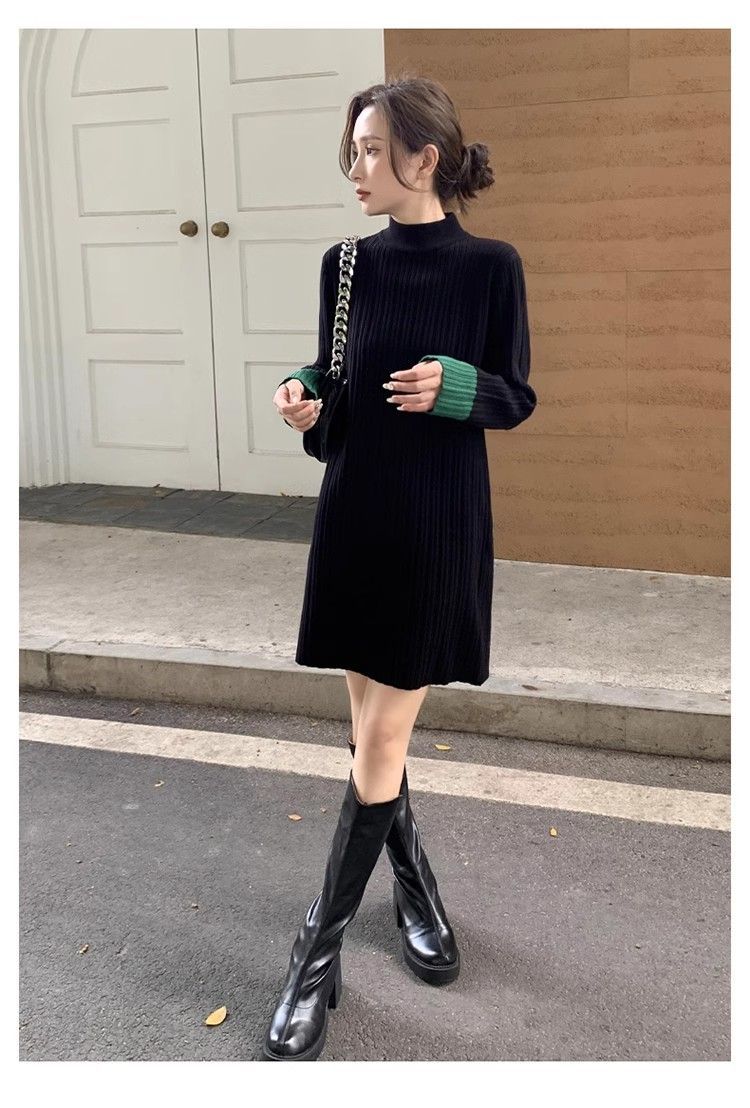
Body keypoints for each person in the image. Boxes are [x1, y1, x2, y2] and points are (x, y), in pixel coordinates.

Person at [264, 74, 537, 1061]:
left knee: (381, 734)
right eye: (354, 148)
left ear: (427, 158)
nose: (357, 166)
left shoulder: (491, 267)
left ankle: (313, 956)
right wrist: (304, 392)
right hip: (356, 515)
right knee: (369, 734)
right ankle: (416, 890)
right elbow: (336, 378)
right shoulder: (346, 265)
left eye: (373, 149)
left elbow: (515, 394)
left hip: (436, 525)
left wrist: (458, 386)